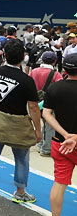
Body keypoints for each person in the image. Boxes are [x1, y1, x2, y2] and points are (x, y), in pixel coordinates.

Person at [0, 39, 42, 205]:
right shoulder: (27, 80)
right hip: (19, 124)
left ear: (4, 55)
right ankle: (20, 192)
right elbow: (33, 107)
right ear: (23, 57)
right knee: (21, 158)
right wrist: (38, 130)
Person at [42, 53, 77, 216]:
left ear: (64, 68)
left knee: (60, 183)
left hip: (60, 143)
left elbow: (46, 114)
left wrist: (66, 134)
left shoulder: (54, 88)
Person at [29, 51, 63, 157]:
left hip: (34, 102)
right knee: (49, 125)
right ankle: (46, 148)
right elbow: (59, 89)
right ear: (54, 61)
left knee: (39, 123)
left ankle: (40, 143)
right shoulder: (56, 74)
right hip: (48, 103)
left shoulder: (34, 71)